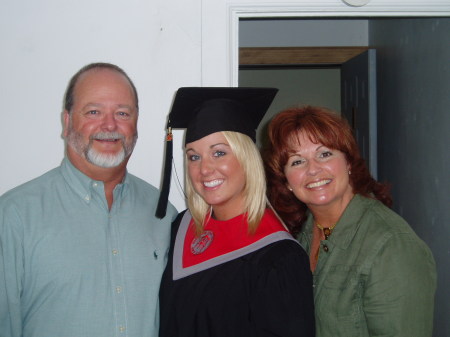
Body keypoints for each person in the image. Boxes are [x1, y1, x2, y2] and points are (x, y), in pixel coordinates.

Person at [0, 62, 178, 337]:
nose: (109, 125)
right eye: (93, 112)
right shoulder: (15, 215)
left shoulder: (164, 214)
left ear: (136, 124)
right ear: (67, 121)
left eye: (122, 113)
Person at [263, 105, 437, 337]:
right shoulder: (300, 237)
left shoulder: (391, 245)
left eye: (324, 154)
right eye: (297, 162)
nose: (313, 170)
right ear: (286, 182)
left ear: (348, 162)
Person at [156, 87, 315, 337]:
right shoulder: (180, 228)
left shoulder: (277, 257)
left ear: (246, 158)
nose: (204, 169)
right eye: (193, 157)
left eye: (219, 153)